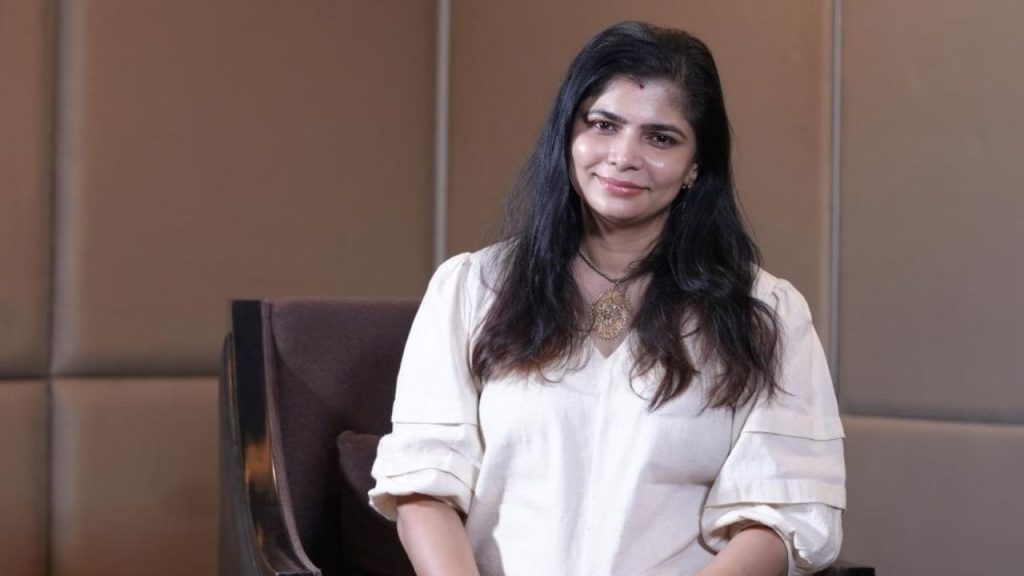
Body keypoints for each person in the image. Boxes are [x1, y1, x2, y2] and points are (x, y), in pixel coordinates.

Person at [369, 21, 845, 576]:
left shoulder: (766, 313)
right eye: (603, 125)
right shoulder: (472, 287)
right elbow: (423, 486)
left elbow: (782, 514)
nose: (623, 156)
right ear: (568, 136)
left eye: (660, 138)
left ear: (696, 166)